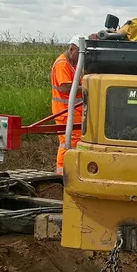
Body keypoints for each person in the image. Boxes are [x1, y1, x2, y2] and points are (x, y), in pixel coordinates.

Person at [52, 35, 85, 174]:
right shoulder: (62, 64)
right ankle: (62, 172)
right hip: (65, 113)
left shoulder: (73, 64)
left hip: (73, 111)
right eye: (80, 53)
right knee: (67, 143)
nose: (81, 57)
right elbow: (66, 88)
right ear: (72, 49)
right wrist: (87, 89)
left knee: (74, 142)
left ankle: (72, 170)